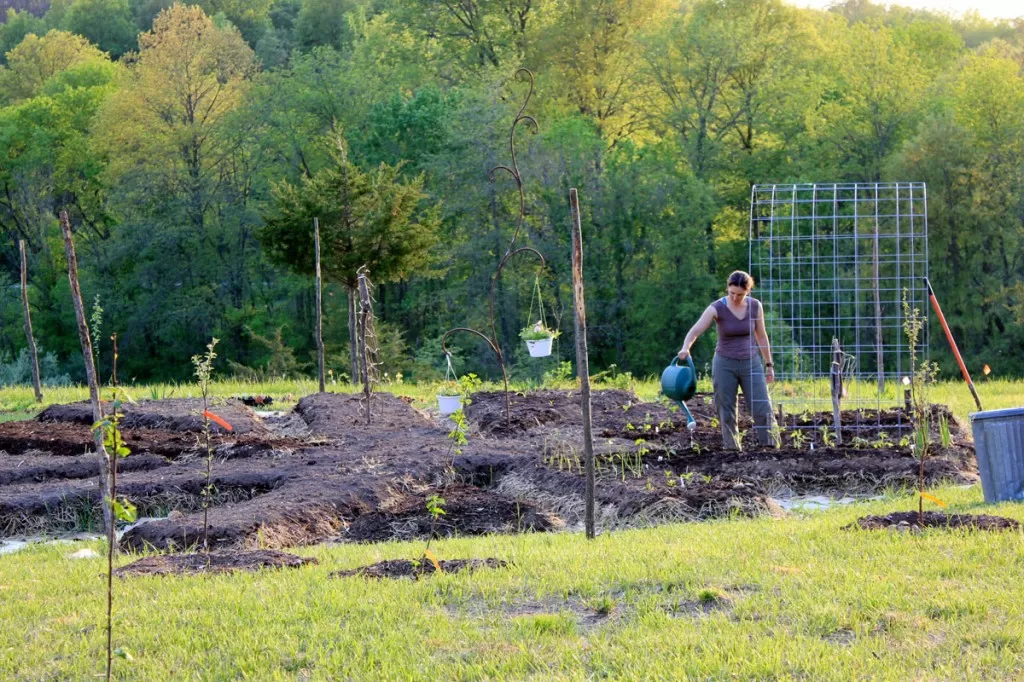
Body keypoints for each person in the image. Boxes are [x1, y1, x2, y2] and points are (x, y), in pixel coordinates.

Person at [677, 270, 779, 450]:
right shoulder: (716, 308)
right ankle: (732, 450)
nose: (735, 297)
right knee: (727, 410)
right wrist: (686, 347)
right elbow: (695, 331)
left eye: (740, 294)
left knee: (762, 406)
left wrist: (769, 365)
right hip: (725, 363)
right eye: (731, 293)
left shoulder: (755, 306)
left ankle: (771, 447)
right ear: (727, 288)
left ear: (748, 291)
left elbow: (762, 337)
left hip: (751, 362)